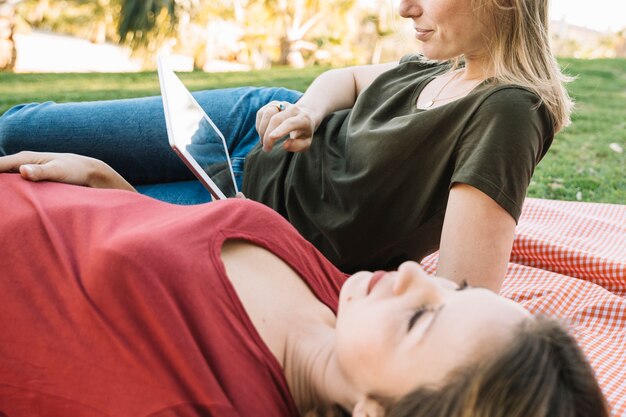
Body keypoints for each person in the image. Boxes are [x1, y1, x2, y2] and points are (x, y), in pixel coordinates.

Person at [0, 0, 573, 292]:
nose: (403, 8)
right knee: (21, 127)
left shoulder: (508, 111)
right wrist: (308, 110)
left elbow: (463, 296)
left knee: (51, 205)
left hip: (251, 220)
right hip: (252, 124)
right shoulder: (444, 62)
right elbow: (345, 80)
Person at [0, 173, 608, 417]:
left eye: (420, 319)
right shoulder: (340, 306)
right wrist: (125, 200)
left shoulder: (199, 401)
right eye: (455, 288)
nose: (411, 272)